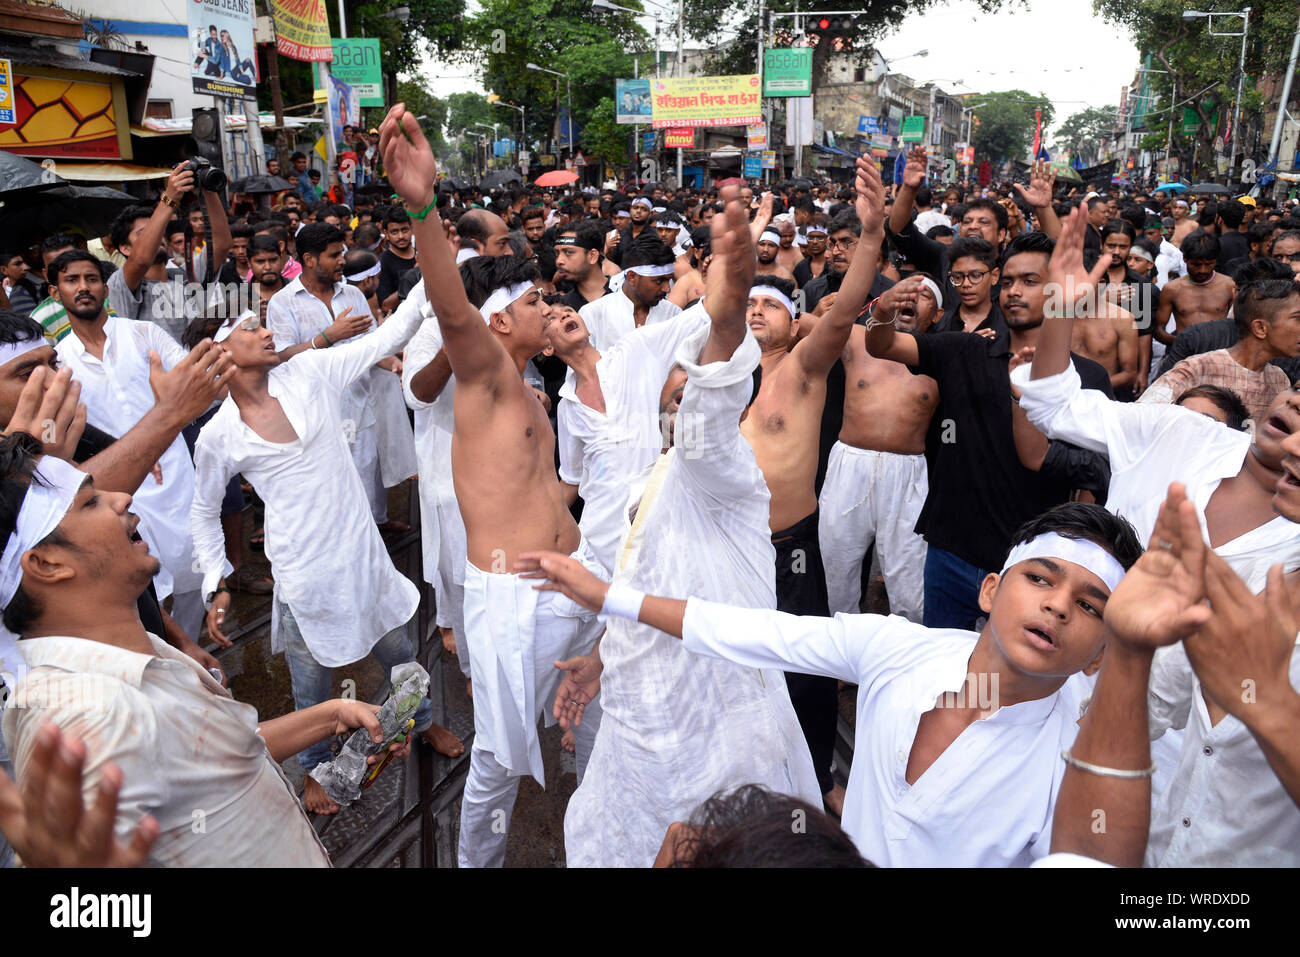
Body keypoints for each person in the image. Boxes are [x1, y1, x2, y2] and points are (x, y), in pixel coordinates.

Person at [523, 499, 1142, 867]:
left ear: (1101, 654)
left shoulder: (1082, 767)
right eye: (1041, 578)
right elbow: (752, 632)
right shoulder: (901, 649)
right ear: (990, 589)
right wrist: (611, 597)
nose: (1059, 606)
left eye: (1091, 606)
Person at [516, 182, 822, 868]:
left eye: (695, 393)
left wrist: (736, 280)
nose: (684, 400)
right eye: (675, 395)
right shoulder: (644, 488)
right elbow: (639, 574)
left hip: (725, 735)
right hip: (644, 716)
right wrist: (602, 656)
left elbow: (715, 366)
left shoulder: (717, 472)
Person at [0, 437, 411, 865]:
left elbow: (219, 759)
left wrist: (331, 716)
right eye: (89, 503)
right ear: (47, 564)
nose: (122, 497)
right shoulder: (88, 718)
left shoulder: (134, 651)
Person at [379, 105, 606, 868]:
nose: (551, 305)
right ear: (498, 325)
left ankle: (603, 842)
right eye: (535, 302)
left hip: (574, 587)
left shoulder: (531, 388)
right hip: (515, 600)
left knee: (603, 724)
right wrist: (423, 206)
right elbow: (450, 305)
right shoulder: (482, 377)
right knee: (500, 763)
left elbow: (560, 484)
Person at [866, 223, 1113, 630]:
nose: (1014, 290)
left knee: (1019, 680)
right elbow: (882, 345)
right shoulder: (965, 349)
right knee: (945, 672)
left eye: (1031, 281)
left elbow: (1093, 477)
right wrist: (883, 310)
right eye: (1010, 281)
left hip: (1033, 562)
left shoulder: (1088, 378)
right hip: (952, 553)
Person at [739, 154, 884, 814]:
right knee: (740, 662)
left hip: (792, 546)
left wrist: (874, 232)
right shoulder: (723, 378)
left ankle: (820, 775)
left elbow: (847, 307)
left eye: (771, 301)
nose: (757, 310)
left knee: (805, 665)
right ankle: (755, 768)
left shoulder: (804, 369)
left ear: (795, 319)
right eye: (750, 302)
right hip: (734, 549)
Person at [49, 249, 220, 639]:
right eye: (71, 280)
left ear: (105, 287)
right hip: (118, 490)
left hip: (175, 479)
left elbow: (195, 388)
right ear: (55, 291)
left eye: (91, 279)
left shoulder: (144, 335)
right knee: (140, 584)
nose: (83, 288)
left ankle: (190, 651)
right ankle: (164, 653)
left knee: (194, 574)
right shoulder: (58, 362)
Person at [819, 273, 939, 625]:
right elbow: (802, 329)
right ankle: (843, 662)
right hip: (849, 466)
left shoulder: (945, 353)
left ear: (938, 312)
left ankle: (906, 664)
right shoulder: (856, 338)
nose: (910, 301)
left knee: (910, 583)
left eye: (923, 296)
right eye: (904, 293)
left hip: (909, 475)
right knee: (836, 569)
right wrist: (826, 309)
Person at [265, 223, 392, 527]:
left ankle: (373, 554)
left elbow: (371, 346)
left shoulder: (352, 294)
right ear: (309, 260)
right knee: (327, 495)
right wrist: (328, 337)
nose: (342, 261)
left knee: (365, 486)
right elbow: (281, 358)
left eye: (342, 253)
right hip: (313, 415)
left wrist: (394, 362)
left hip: (359, 409)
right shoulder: (283, 303)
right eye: (334, 255)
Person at [1141, 278, 1299, 425]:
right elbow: (1141, 417)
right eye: (1298, 318)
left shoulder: (1279, 380)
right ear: (1260, 328)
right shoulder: (1197, 368)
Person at [578, 233, 680, 351]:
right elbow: (581, 365)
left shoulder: (674, 314)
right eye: (659, 281)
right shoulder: (593, 313)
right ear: (631, 277)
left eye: (669, 280)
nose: (667, 289)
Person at [1153, 230, 1236, 347]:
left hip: (1218, 352)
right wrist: (1181, 343)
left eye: (1209, 264)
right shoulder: (1172, 289)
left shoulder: (1230, 286)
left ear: (1216, 261)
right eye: (1196, 264)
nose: (1202, 270)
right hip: (1183, 353)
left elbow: (1240, 326)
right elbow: (1158, 329)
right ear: (1185, 258)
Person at [376, 207, 416, 310]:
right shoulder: (383, 262)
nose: (401, 236)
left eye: (404, 230)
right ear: (386, 234)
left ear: (412, 229)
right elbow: (385, 305)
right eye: (394, 232)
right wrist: (412, 278)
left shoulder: (422, 254)